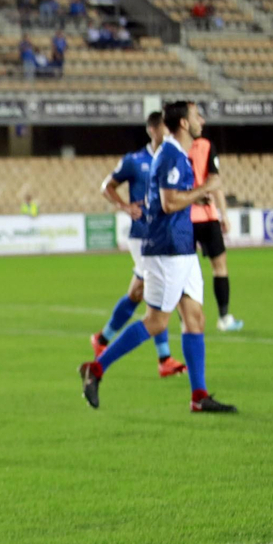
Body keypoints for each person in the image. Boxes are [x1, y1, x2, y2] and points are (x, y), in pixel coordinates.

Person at [79, 101, 236, 413]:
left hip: (183, 247)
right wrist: (205, 187)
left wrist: (197, 194)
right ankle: (95, 369)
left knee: (195, 319)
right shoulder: (171, 154)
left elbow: (175, 198)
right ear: (182, 123)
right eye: (196, 116)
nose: (201, 120)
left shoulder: (176, 155)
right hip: (166, 250)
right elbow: (168, 203)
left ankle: (199, 397)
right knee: (155, 321)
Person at [90, 113, 186, 377]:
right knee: (156, 290)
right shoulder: (135, 161)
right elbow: (106, 186)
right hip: (142, 235)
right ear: (152, 130)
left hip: (163, 235)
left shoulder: (171, 158)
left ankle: (102, 339)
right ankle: (164, 358)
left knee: (137, 293)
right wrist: (124, 206)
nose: (168, 134)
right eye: (164, 129)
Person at [189, 126, 243, 331]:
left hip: (183, 216)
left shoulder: (173, 147)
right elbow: (215, 182)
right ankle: (224, 318)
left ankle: (187, 319)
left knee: (183, 271)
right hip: (206, 216)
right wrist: (223, 214)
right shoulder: (205, 146)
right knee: (219, 267)